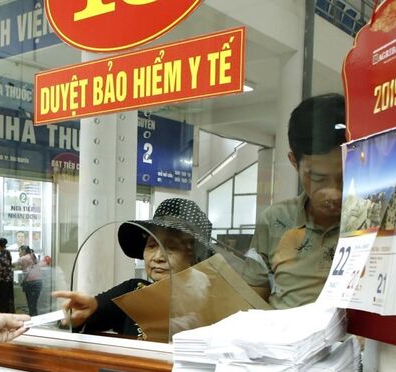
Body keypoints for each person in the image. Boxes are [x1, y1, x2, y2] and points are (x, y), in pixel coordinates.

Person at [241, 93, 368, 309]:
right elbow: (251, 298)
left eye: (346, 176)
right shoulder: (275, 219)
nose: (334, 193)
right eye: (318, 178)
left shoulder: (371, 219)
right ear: (294, 162)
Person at [53, 198, 213, 338]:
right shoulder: (133, 292)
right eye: (151, 245)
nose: (158, 257)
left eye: (171, 247)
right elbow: (88, 315)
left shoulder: (214, 302)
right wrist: (82, 315)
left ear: (194, 256)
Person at [17, 245, 43, 316]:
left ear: (23, 251)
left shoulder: (24, 258)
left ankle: (33, 319)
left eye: (19, 251)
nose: (19, 253)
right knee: (33, 304)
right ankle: (34, 318)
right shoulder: (33, 256)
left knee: (31, 305)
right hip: (38, 282)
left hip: (31, 283)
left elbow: (13, 264)